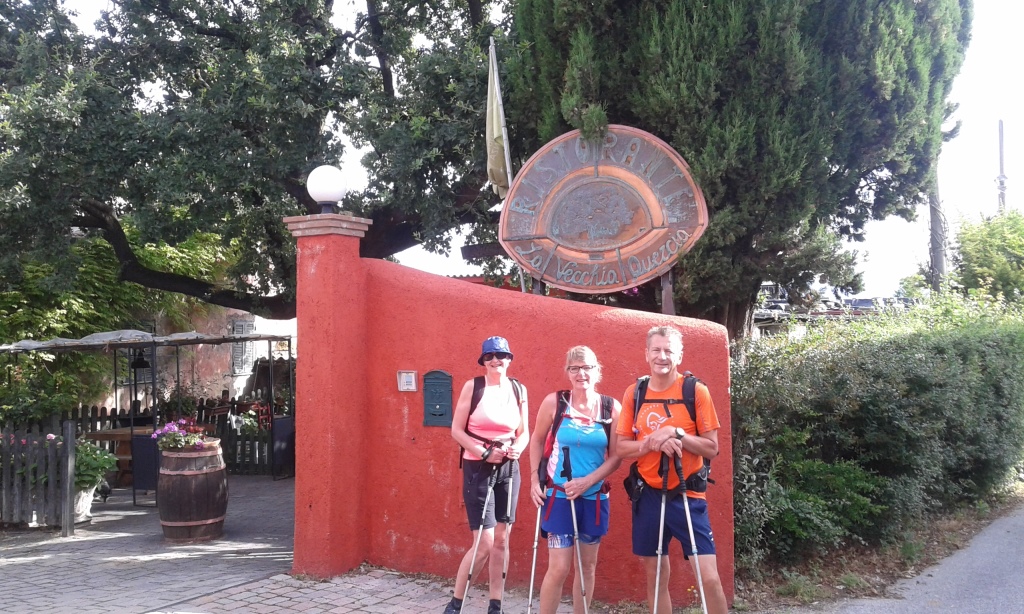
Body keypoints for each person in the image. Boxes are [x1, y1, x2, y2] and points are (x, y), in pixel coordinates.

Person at [615, 326, 728, 614]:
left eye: (669, 351)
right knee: (655, 576)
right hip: (648, 494)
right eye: (656, 350)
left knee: (709, 578)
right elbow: (622, 448)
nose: (662, 356)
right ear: (646, 353)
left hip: (687, 493)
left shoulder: (695, 391)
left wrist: (676, 433)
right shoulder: (635, 393)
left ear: (679, 355)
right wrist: (652, 442)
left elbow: (711, 448)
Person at [528, 346, 622, 614]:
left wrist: (587, 481)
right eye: (574, 368)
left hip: (594, 498)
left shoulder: (611, 407)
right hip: (558, 496)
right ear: (567, 372)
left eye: (587, 367)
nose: (581, 373)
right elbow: (536, 440)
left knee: (587, 567)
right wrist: (534, 479)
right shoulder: (555, 403)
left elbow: (617, 456)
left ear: (597, 370)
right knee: (558, 568)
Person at [444, 336, 530, 614]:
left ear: (509, 359)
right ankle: (455, 604)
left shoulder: (518, 388)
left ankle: (496, 605)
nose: (496, 360)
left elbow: (524, 432)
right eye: (490, 356)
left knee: (502, 540)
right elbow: (456, 430)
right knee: (484, 542)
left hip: (509, 468)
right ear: (483, 361)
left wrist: (518, 448)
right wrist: (483, 453)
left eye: (501, 355)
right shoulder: (474, 386)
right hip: (478, 468)